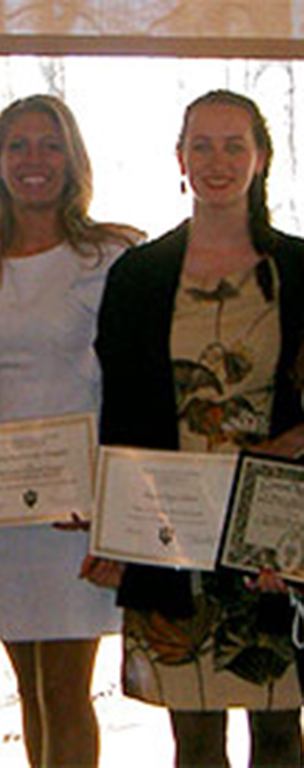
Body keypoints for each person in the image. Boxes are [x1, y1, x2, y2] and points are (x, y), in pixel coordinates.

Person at [85, 89, 304, 766]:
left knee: (280, 734)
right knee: (195, 742)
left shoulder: (300, 270)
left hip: (276, 533)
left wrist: (286, 456)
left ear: (261, 157)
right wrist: (112, 528)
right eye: (201, 145)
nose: (218, 161)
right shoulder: (138, 275)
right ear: (179, 159)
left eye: (235, 145)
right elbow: (120, 411)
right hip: (170, 533)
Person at [0, 94, 142, 767]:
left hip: (78, 501)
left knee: (65, 689)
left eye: (49, 145)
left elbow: (134, 385)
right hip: (2, 501)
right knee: (28, 690)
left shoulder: (113, 254)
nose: (34, 159)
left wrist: (118, 496)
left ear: (72, 159)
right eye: (17, 145)